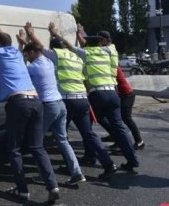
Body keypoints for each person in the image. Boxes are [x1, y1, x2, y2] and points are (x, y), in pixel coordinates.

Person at [0, 13, 60, 203]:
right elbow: (4, 38)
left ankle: (23, 190)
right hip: (36, 101)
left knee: (14, 148)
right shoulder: (17, 51)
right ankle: (53, 185)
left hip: (18, 103)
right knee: (37, 147)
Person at [20, 22, 117, 180]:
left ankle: (65, 170)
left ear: (54, 48)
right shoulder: (76, 57)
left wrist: (30, 34)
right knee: (88, 133)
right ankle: (108, 163)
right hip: (82, 99)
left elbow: (38, 48)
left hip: (67, 100)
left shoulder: (56, 55)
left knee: (61, 137)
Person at [18, 30, 85, 186]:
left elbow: (21, 72)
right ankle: (77, 172)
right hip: (60, 104)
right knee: (62, 140)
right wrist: (26, 43)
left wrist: (23, 47)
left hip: (48, 106)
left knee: (37, 143)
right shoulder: (49, 62)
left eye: (29, 54)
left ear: (33, 52)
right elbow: (39, 48)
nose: (28, 58)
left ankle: (45, 175)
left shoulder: (34, 67)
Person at [75, 24, 139, 172]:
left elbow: (79, 45)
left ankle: (92, 157)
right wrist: (82, 33)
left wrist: (78, 33)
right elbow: (88, 42)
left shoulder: (87, 53)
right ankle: (132, 159)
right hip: (113, 93)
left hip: (97, 95)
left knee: (87, 127)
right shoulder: (108, 52)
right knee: (119, 127)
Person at [99, 66, 145, 150]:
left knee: (126, 118)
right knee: (112, 117)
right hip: (120, 95)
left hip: (127, 95)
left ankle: (139, 141)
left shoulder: (113, 68)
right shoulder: (109, 66)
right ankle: (116, 138)